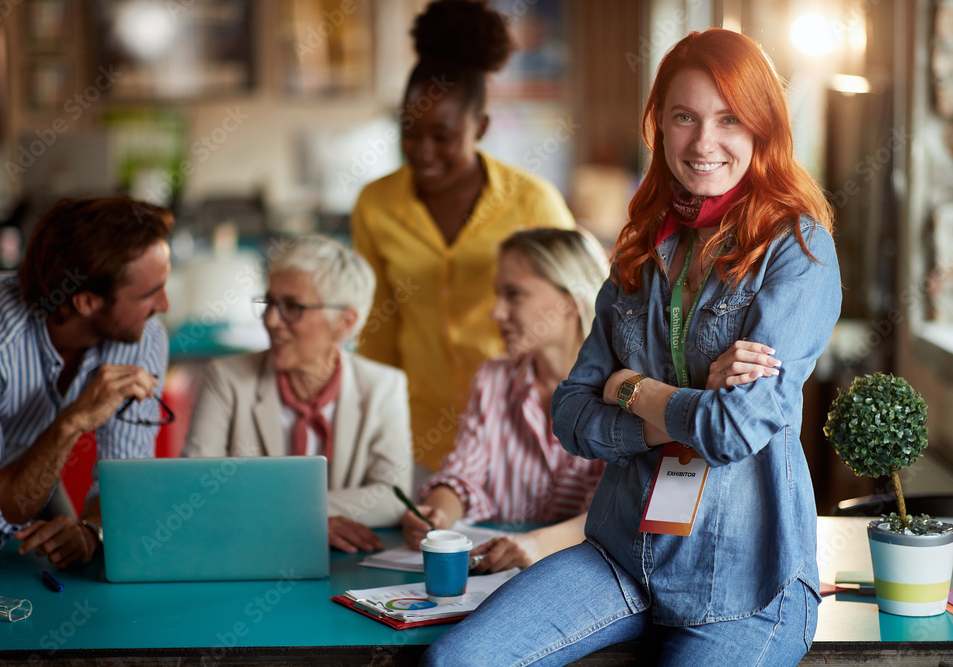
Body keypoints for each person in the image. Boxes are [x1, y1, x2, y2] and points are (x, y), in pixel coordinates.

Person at [424, 28, 842, 666]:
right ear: (661, 127)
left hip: (745, 582)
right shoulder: (643, 248)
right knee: (454, 662)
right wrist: (679, 406)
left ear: (763, 128)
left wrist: (629, 389)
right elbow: (569, 412)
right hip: (620, 554)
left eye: (729, 119)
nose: (704, 142)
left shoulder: (797, 251)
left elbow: (733, 429)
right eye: (684, 117)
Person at [351, 0, 576, 474]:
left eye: (443, 135)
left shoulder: (532, 202)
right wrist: (370, 431)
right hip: (415, 436)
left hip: (520, 432)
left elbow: (577, 320)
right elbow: (379, 330)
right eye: (409, 131)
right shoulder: (376, 205)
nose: (423, 151)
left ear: (481, 127)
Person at [0, 197, 173, 569]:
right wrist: (72, 422)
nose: (164, 305)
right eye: (150, 293)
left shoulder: (142, 334)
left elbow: (125, 482)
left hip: (21, 466)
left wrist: (91, 532)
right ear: (87, 301)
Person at [182, 234, 412, 554]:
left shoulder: (384, 385)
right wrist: (304, 520)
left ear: (345, 322)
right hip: (249, 555)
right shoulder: (226, 378)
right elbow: (198, 489)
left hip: (347, 564)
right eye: (269, 303)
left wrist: (293, 513)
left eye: (292, 307)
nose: (271, 321)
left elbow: (393, 496)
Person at [400, 228, 607, 573]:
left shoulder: (624, 390)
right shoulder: (494, 378)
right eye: (498, 295)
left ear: (571, 299)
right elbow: (464, 473)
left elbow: (616, 512)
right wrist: (436, 512)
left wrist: (536, 545)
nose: (496, 313)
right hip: (491, 577)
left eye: (514, 295)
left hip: (581, 578)